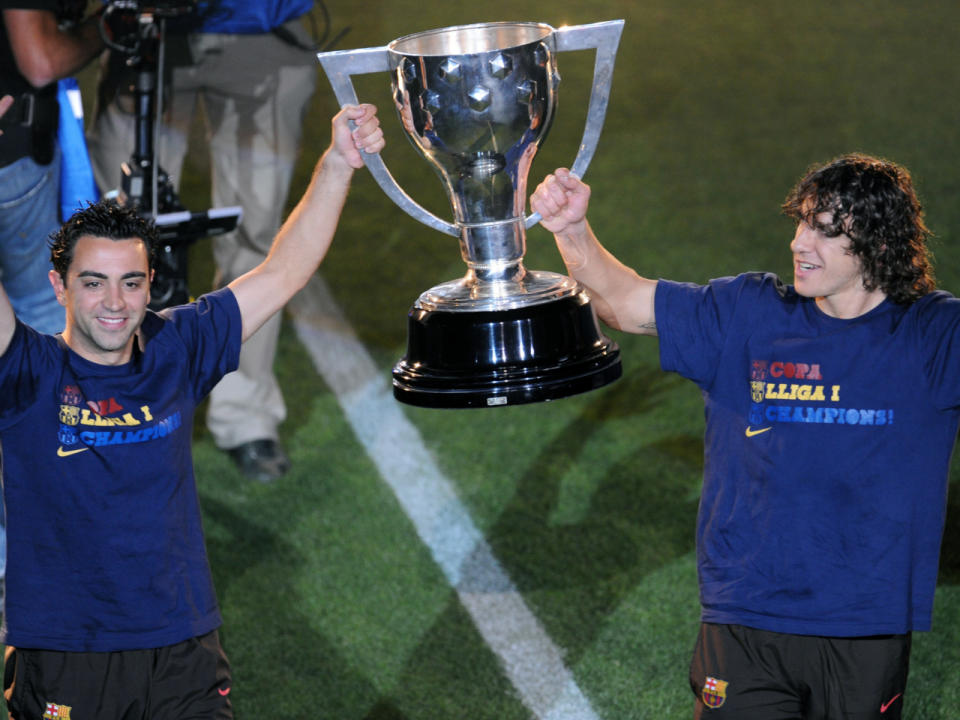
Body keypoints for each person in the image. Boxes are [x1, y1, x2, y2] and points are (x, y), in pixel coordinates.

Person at [530, 154, 953, 720]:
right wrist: (572, 230)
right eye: (802, 223)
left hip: (863, 623)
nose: (801, 244)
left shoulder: (932, 337)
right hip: (745, 617)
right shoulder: (749, 313)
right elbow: (626, 303)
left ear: (879, 247)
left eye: (827, 233)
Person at [0, 103, 383, 719]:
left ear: (152, 283)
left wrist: (338, 163)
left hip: (183, 648)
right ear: (57, 286)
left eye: (131, 282)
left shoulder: (177, 347)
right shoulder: (25, 373)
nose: (113, 303)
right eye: (92, 281)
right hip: (69, 652)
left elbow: (283, 272)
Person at [87, 0, 321, 482]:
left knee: (255, 236)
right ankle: (120, 410)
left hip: (261, 29)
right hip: (146, 31)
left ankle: (245, 415)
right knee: (114, 239)